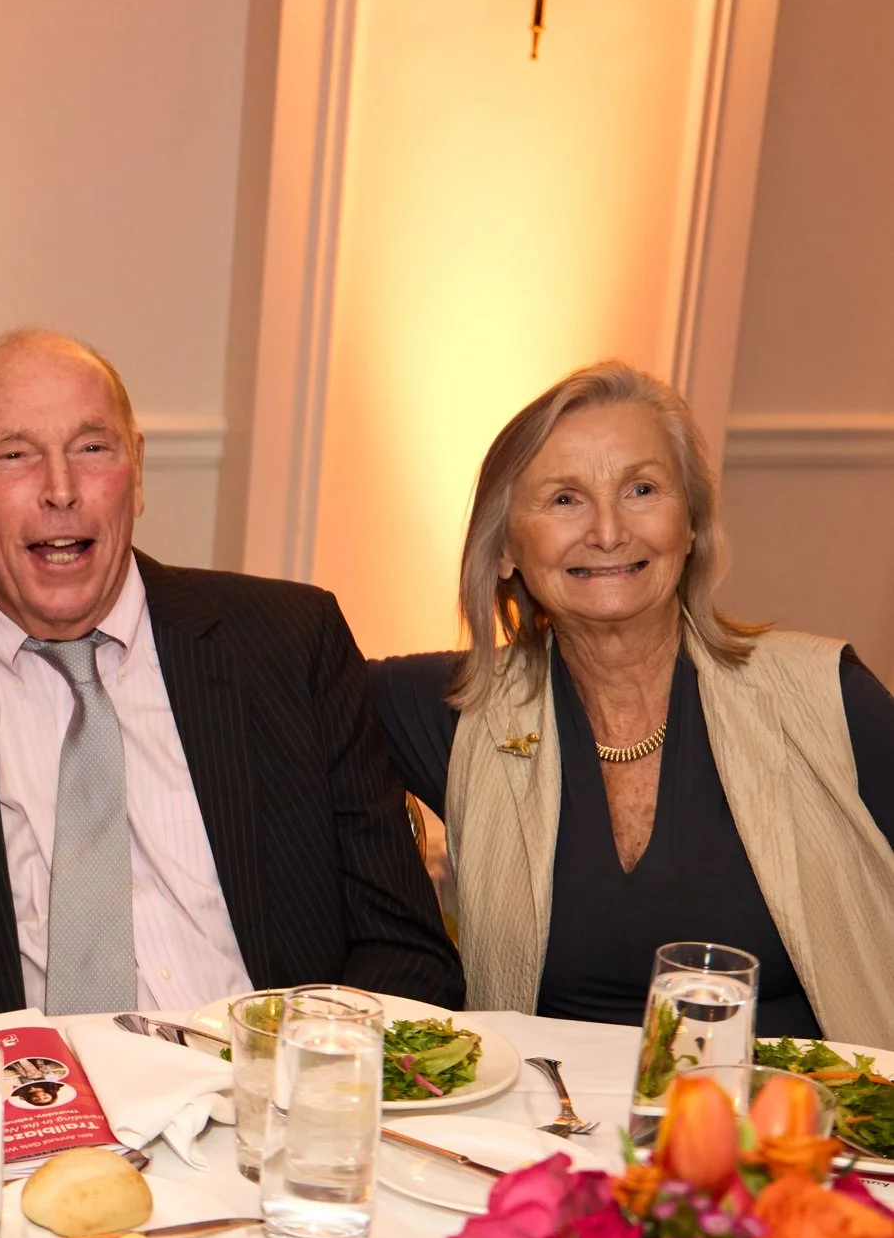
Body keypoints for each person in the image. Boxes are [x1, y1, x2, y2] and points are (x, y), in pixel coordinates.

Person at [0, 329, 460, 1046]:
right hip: (39, 1128)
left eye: (92, 448)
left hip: (272, 1105)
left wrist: (292, 1091)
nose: (60, 490)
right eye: (15, 455)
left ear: (136, 471)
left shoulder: (290, 643)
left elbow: (407, 952)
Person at [370, 361, 894, 1037]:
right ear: (505, 550)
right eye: (565, 499)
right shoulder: (456, 711)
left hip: (798, 1129)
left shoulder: (825, 697)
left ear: (692, 526)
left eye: (641, 489)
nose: (610, 530)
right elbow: (271, 677)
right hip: (545, 1128)